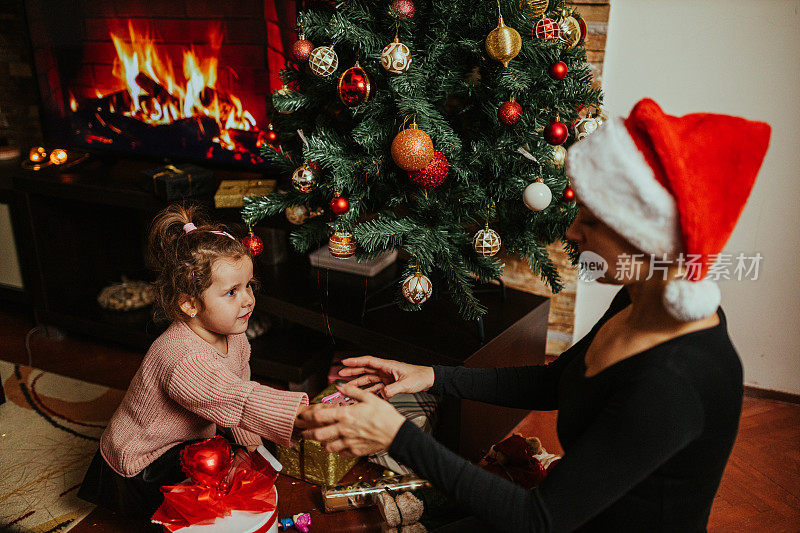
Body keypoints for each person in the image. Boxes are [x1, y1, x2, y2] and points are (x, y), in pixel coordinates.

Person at [299, 98, 771, 531]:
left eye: (590, 219)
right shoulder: (640, 298)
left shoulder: (674, 382)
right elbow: (553, 384)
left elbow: (539, 520)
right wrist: (431, 376)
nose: (572, 230)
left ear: (646, 239)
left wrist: (399, 436)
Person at [78, 204, 309, 518]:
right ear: (189, 304)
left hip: (190, 440)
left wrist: (252, 447)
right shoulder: (183, 358)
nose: (248, 300)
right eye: (231, 292)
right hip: (145, 460)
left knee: (233, 460)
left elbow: (239, 390)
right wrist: (302, 415)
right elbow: (238, 401)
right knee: (214, 497)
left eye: (249, 286)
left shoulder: (234, 335)